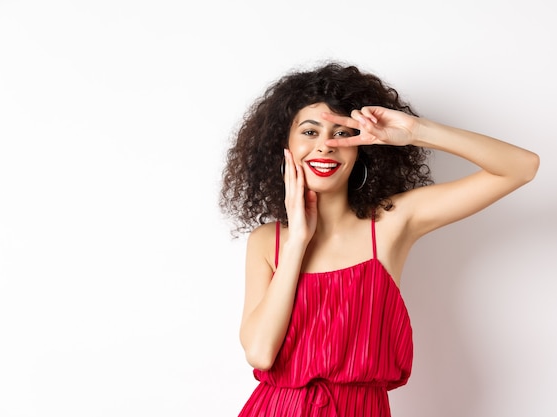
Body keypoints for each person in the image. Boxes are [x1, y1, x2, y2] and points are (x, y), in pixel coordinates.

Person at [219, 61, 539, 417]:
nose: (325, 146)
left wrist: (416, 130)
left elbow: (521, 167)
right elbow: (261, 354)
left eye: (341, 133)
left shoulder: (390, 223)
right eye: (309, 132)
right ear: (285, 145)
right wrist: (298, 242)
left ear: (361, 148)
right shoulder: (268, 241)